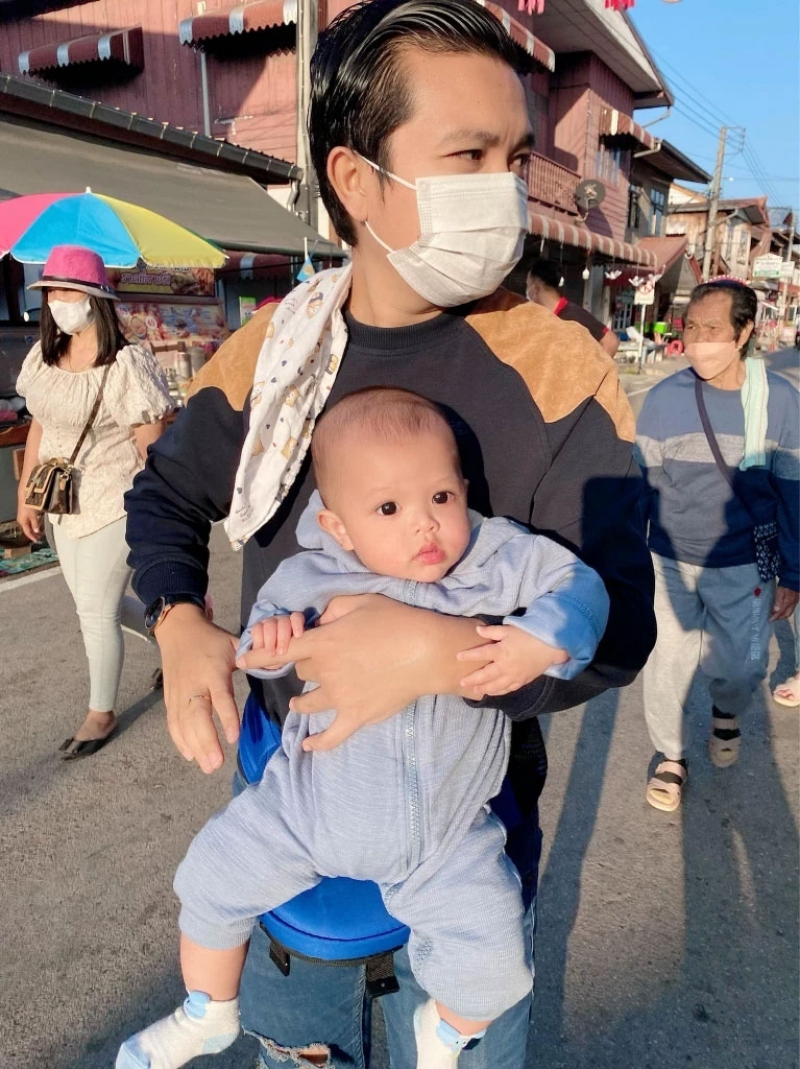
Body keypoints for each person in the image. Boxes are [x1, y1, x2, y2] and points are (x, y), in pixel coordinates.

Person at [124, 3, 656, 1066]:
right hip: (298, 821)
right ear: (356, 180)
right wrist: (179, 619)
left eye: (514, 158)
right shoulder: (275, 353)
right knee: (293, 1044)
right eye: (467, 156)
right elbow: (165, 493)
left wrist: (436, 655)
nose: (503, 188)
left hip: (467, 833)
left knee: (468, 1023)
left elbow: (619, 619)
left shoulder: (558, 369)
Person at [118, 388, 609, 1069]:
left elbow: (583, 586)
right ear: (339, 527)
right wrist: (270, 638)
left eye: (441, 496)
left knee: (497, 955)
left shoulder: (496, 559)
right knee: (208, 878)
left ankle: (446, 1034)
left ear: (464, 489)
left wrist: (543, 638)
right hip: (306, 810)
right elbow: (264, 645)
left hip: (444, 836)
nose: (425, 524)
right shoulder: (312, 573)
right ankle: (208, 1009)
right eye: (388, 508)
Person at [635, 280, 799, 812]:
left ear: (744, 332)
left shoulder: (780, 402)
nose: (698, 339)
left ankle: (726, 711)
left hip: (746, 563)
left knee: (743, 666)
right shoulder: (665, 399)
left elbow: (794, 494)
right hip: (670, 559)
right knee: (667, 663)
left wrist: (794, 573)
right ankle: (671, 755)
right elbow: (642, 482)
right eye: (691, 327)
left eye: (712, 328)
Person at [16, 244, 172, 759]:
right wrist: (26, 495)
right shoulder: (45, 357)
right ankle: (176, 632)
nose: (56, 301)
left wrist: (161, 509)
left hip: (114, 498)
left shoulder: (126, 363)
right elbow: (39, 425)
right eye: (50, 291)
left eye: (66, 291)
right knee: (92, 603)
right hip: (60, 502)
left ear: (94, 297)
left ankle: (100, 713)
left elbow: (151, 444)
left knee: (95, 611)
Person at [526, 257, 620, 357]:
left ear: (536, 288)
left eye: (527, 286)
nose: (527, 291)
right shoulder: (544, 317)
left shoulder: (572, 314)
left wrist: (591, 367)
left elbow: (611, 342)